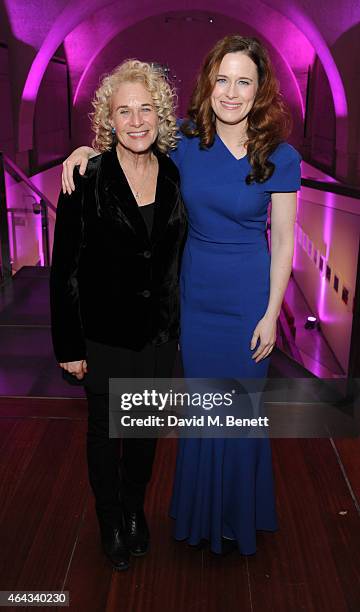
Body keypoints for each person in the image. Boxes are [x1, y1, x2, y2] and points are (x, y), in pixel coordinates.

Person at [61, 35, 301, 555]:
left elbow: (283, 241)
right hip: (192, 301)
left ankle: (236, 515)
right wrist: (85, 151)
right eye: (222, 80)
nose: (232, 92)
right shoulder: (188, 142)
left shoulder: (280, 157)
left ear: (260, 89)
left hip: (246, 303)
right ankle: (194, 517)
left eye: (244, 81)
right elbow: (131, 139)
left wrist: (271, 312)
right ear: (208, 84)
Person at [50, 59, 187, 571]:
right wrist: (69, 347)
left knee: (147, 431)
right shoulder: (87, 175)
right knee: (106, 433)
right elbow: (64, 269)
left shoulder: (174, 172)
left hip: (158, 336)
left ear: (160, 114)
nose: (135, 121)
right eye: (123, 111)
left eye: (145, 109)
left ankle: (134, 510)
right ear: (108, 119)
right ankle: (109, 518)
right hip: (102, 335)